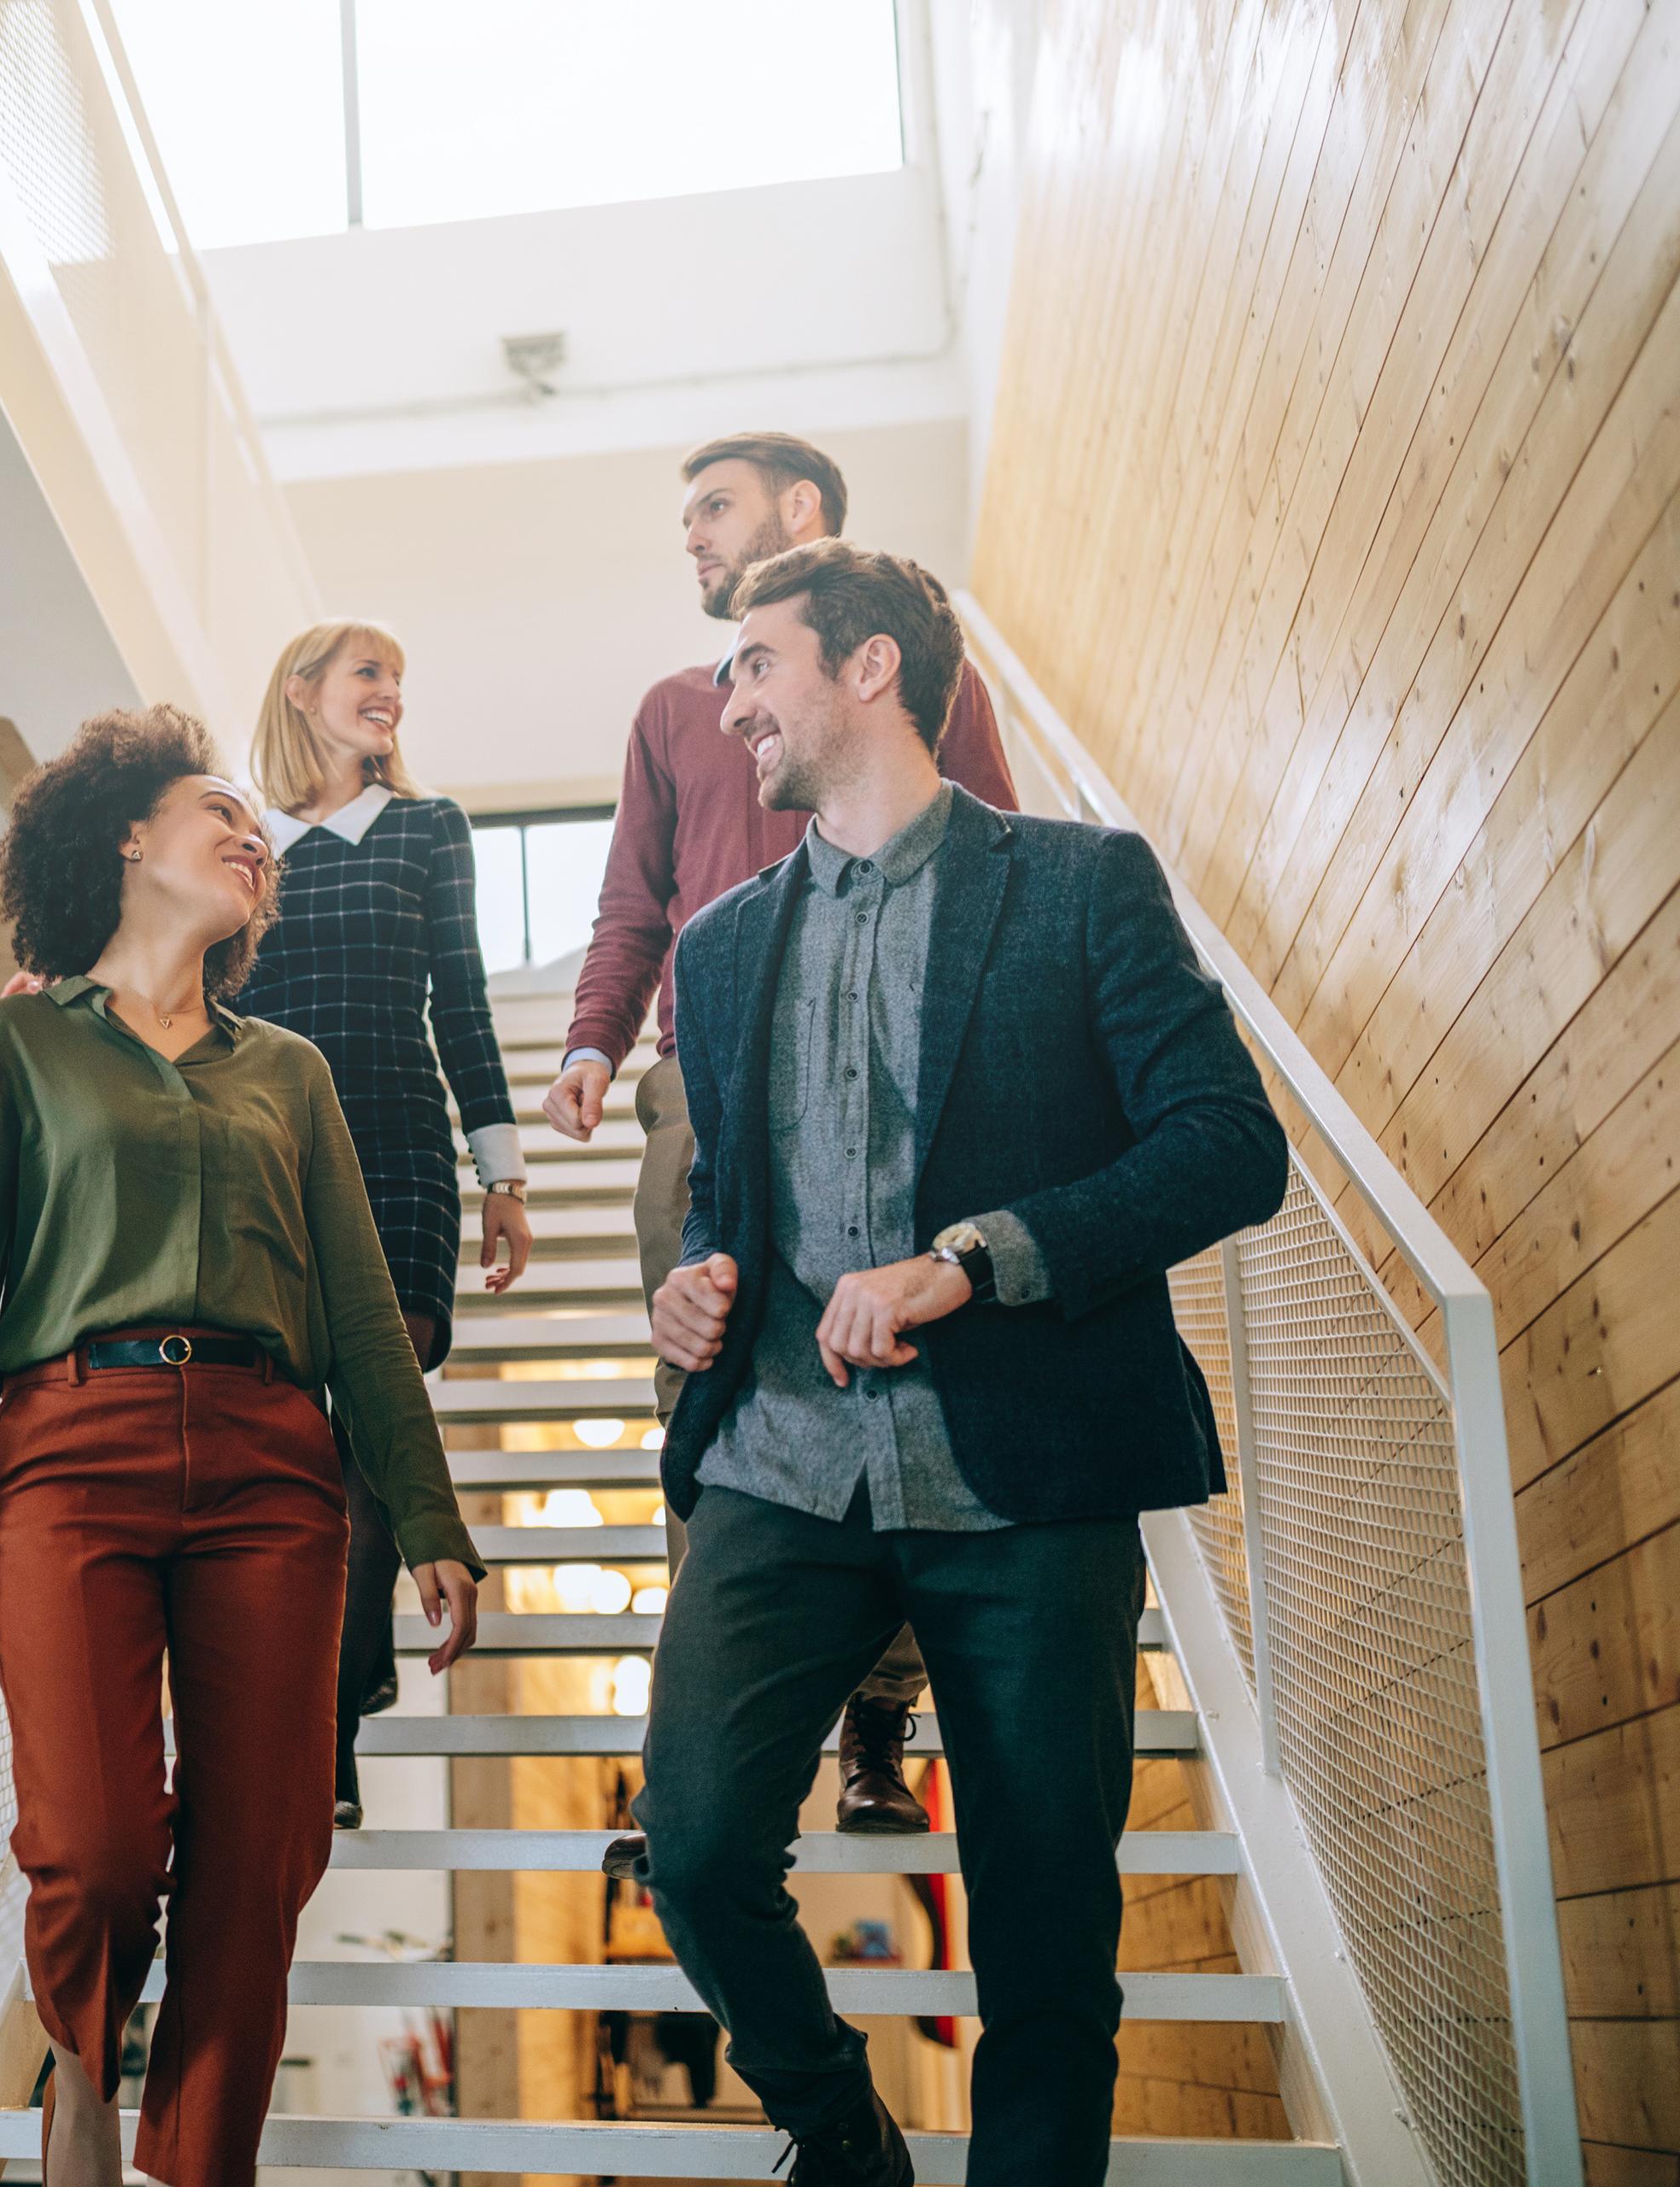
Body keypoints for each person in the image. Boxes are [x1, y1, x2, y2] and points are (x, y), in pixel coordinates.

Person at [633, 541, 1285, 2185]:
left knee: (1048, 1927)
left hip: (1034, 1469)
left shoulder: (1081, 883)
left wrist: (973, 1261)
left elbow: (1227, 1148)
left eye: (756, 667)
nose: (730, 706)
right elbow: (730, 1209)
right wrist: (697, 1290)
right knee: (701, 1849)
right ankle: (844, 2140)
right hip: (781, 1460)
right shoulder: (711, 953)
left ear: (867, 671)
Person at [0, 707, 483, 2187]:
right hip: (71, 1456)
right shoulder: (14, 1041)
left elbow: (360, 1313)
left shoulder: (290, 1072)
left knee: (260, 1859)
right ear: (129, 838)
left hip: (277, 1471)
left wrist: (433, 1514)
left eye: (256, 830)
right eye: (222, 809)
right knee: (93, 1847)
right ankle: (83, 2072)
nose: (252, 836)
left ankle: (196, 2165)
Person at [542, 431, 1021, 1834]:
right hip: (708, 1089)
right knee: (705, 1400)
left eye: (715, 509)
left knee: (899, 1387)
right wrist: (591, 1036)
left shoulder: (924, 680)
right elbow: (634, 899)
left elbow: (991, 849)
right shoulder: (674, 712)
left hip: (907, 1081)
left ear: (798, 511)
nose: (690, 536)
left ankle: (877, 1728)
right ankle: (691, 1747)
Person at [233, 619, 530, 1830]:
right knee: (292, 1451)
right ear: (302, 691)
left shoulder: (427, 829)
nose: (390, 696)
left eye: (399, 680)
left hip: (401, 1157)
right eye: (369, 675)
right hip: (267, 1163)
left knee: (361, 1445)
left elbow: (460, 998)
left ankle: (330, 1728)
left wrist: (501, 1172)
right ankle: (312, 1709)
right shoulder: (242, 845)